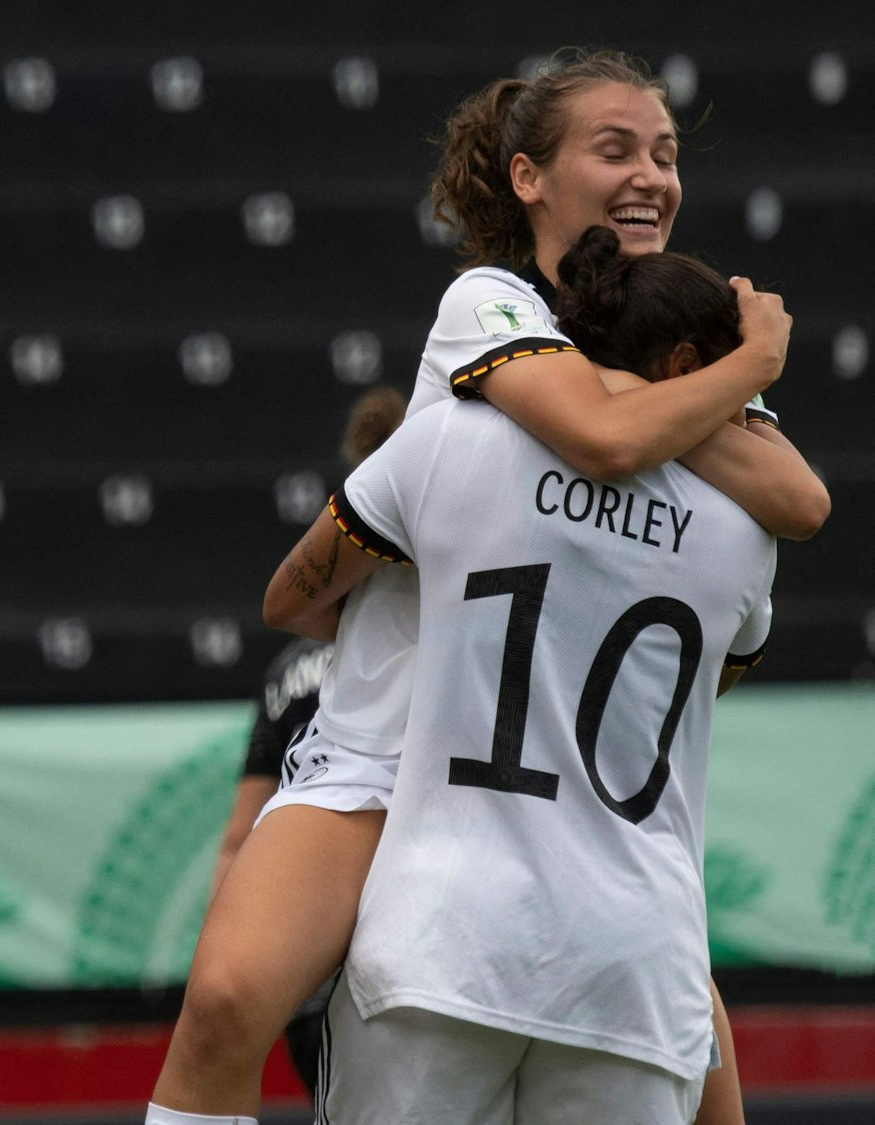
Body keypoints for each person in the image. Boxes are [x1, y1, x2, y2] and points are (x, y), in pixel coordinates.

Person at [148, 47, 824, 1125]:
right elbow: (604, 438)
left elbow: (794, 498)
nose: (650, 173)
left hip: (558, 785)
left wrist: (677, 384)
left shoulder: (663, 338)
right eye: (614, 149)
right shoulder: (489, 301)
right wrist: (743, 370)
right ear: (526, 179)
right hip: (383, 751)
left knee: (696, 1059)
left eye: (663, 151)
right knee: (225, 1003)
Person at [270, 226, 774, 1122]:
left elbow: (292, 600)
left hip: (440, 947)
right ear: (691, 365)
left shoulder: (447, 440)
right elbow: (704, 680)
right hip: (634, 973)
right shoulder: (746, 528)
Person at [205, 386, 403, 1098]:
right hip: (411, 936)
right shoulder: (455, 630)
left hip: (308, 943)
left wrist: (225, 968)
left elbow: (239, 835)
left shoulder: (290, 664)